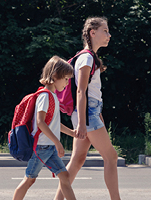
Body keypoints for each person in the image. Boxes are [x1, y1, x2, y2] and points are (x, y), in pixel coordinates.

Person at [54, 17, 121, 200]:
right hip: (87, 113)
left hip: (89, 112)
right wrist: (83, 123)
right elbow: (81, 91)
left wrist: (93, 116)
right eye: (105, 31)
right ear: (93, 32)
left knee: (77, 160)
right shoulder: (86, 58)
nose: (109, 34)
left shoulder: (89, 57)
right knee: (111, 157)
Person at [13, 56, 77, 200]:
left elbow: (53, 124)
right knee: (29, 180)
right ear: (55, 76)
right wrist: (57, 142)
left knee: (65, 177)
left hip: (48, 147)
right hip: (42, 146)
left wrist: (71, 133)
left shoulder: (52, 96)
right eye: (66, 79)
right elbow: (41, 122)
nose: (67, 84)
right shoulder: (45, 96)